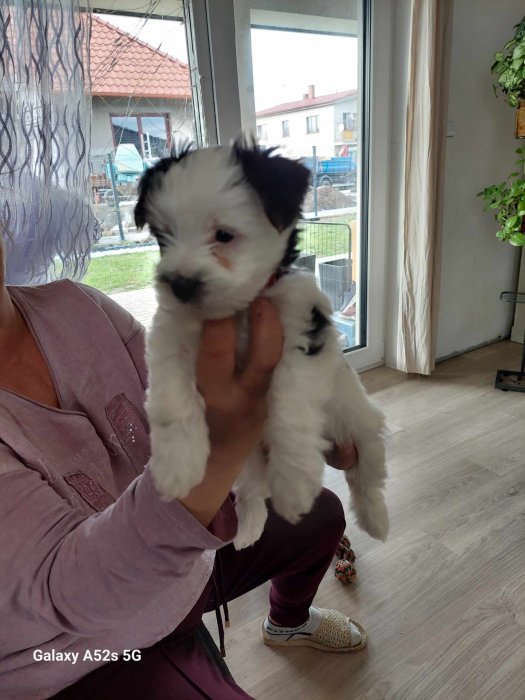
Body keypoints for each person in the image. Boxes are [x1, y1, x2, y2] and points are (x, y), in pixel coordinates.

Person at [0, 235, 366, 700]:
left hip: (187, 562)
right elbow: (66, 590)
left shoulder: (78, 305)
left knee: (320, 515)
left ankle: (287, 623)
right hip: (81, 655)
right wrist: (225, 437)